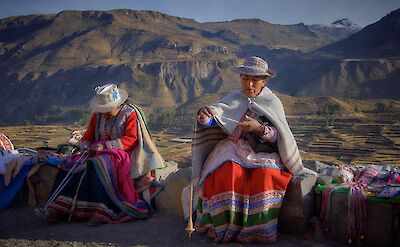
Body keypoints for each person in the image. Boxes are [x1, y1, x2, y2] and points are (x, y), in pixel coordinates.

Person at [190, 56, 315, 243]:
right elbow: (214, 117)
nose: (249, 84)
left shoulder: (272, 102)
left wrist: (260, 129)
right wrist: (204, 117)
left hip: (264, 152)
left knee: (265, 175)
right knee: (227, 171)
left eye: (255, 79)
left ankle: (257, 230)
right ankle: (224, 226)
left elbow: (280, 137)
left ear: (264, 81)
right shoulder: (233, 99)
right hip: (235, 148)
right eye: (245, 78)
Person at [36, 84, 165, 226]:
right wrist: (85, 146)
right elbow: (88, 136)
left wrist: (105, 146)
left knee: (99, 165)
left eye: (108, 108)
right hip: (97, 151)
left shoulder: (130, 114)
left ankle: (103, 212)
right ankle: (58, 208)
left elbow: (131, 139)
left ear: (118, 103)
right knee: (71, 163)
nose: (106, 112)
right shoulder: (98, 116)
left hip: (123, 154)